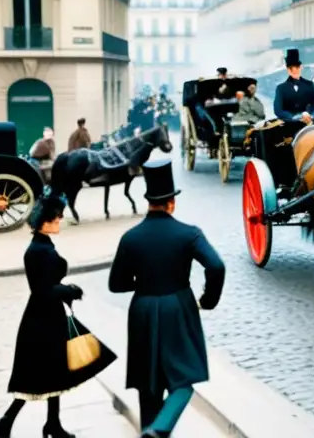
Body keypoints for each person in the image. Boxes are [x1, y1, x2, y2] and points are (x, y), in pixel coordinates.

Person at [108, 159, 225, 437]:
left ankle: (150, 429)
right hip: (178, 306)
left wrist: (143, 281)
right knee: (184, 378)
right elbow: (216, 266)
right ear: (171, 202)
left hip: (143, 309)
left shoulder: (130, 237)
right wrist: (207, 300)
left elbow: (116, 284)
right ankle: (160, 428)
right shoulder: (189, 234)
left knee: (148, 386)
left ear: (149, 201)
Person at [0, 191, 116, 438]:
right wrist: (70, 290)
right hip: (43, 320)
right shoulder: (40, 251)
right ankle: (10, 423)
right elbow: (43, 289)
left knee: (52, 373)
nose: (60, 222)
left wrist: (64, 291)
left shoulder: (41, 245)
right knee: (39, 375)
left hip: (45, 316)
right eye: (57, 218)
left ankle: (48, 424)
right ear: (44, 221)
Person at [273, 48, 314, 126]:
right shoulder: (281, 88)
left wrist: (313, 116)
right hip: (291, 126)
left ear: (300, 67)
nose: (295, 70)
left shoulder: (309, 85)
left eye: (297, 67)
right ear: (288, 70)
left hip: (311, 122)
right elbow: (278, 110)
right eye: (291, 68)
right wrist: (294, 117)